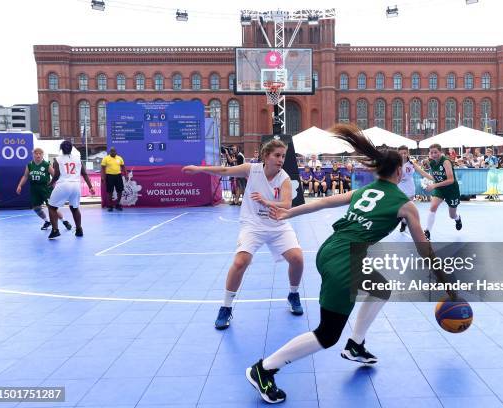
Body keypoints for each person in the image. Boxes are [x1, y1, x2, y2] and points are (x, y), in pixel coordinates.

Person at [245, 124, 456, 404]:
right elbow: (423, 247)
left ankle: (356, 344)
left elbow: (324, 203)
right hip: (344, 261)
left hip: (331, 249)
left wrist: (289, 213)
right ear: (397, 172)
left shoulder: (365, 191)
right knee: (327, 335)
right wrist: (444, 279)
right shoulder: (404, 205)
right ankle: (264, 369)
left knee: (380, 288)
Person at [182, 139, 305, 329]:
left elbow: (287, 204)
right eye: (277, 155)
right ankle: (226, 307)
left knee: (297, 258)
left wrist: (267, 202)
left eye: (283, 156)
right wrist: (199, 169)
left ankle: (293, 293)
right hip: (253, 224)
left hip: (277, 226)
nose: (281, 160)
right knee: (240, 262)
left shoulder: (284, 177)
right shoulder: (252, 169)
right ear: (266, 156)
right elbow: (224, 171)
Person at [47, 141, 95, 239]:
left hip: (63, 184)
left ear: (61, 149)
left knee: (52, 207)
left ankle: (55, 230)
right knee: (74, 208)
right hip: (76, 185)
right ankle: (79, 229)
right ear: (72, 149)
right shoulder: (78, 159)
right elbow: (84, 174)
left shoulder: (57, 159)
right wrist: (90, 187)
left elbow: (56, 176)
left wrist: (50, 184)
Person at [16, 147, 72, 231]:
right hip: (34, 189)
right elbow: (25, 176)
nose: (38, 155)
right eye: (36, 153)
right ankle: (47, 221)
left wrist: (56, 185)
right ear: (33, 155)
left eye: (40, 153)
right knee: (36, 208)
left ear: (42, 155)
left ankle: (65, 221)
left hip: (46, 189)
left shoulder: (46, 165)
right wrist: (20, 185)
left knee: (52, 208)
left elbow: (55, 176)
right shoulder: (30, 165)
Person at [418, 143, 462, 240]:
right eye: (431, 152)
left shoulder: (446, 162)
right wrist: (415, 166)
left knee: (452, 215)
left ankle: (458, 218)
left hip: (451, 189)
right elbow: (431, 175)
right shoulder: (431, 162)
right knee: (433, 206)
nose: (434, 154)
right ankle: (427, 231)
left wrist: (434, 185)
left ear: (440, 152)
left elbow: (451, 180)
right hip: (440, 189)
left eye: (435, 152)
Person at [396, 145, 427, 232]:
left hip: (409, 187)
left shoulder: (411, 164)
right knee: (399, 208)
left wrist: (432, 178)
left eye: (405, 153)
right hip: (399, 187)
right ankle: (403, 220)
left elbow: (422, 172)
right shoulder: (395, 164)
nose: (403, 155)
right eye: (401, 153)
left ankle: (405, 223)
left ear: (408, 153)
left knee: (408, 208)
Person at [101, 147, 126, 211]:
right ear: (110, 152)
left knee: (120, 191)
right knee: (110, 192)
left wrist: (125, 174)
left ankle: (117, 204)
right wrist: (102, 177)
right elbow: (103, 168)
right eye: (112, 151)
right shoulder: (106, 158)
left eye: (114, 151)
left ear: (116, 152)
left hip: (118, 176)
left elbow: (123, 167)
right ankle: (110, 206)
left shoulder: (119, 158)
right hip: (109, 176)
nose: (113, 152)